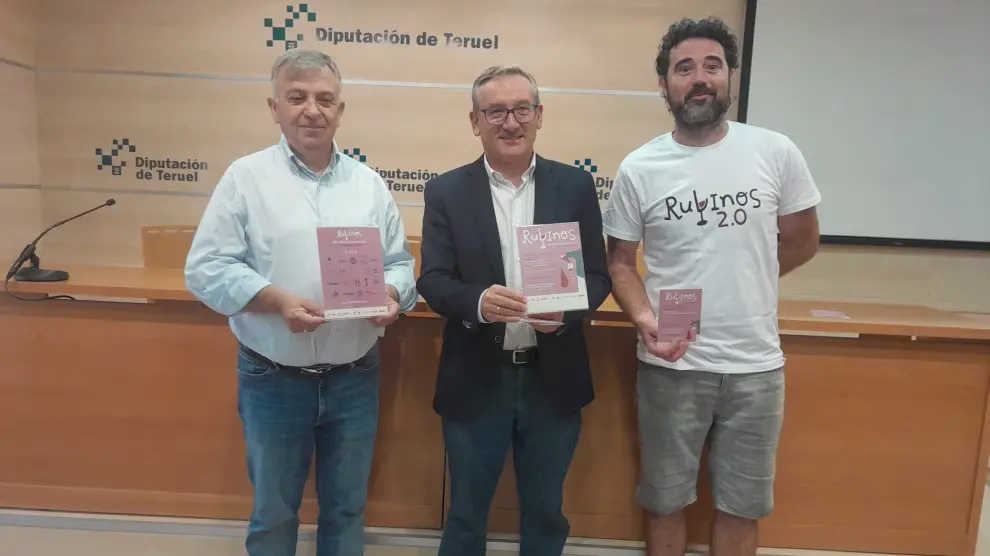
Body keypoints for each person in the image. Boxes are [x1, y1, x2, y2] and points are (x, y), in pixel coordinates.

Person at [184, 49, 417, 556]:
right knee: (274, 512)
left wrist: (395, 294)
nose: (312, 110)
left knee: (347, 508)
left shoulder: (369, 185)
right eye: (297, 98)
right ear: (274, 107)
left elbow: (399, 262)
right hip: (273, 377)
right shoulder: (244, 178)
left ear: (340, 110)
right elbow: (206, 270)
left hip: (356, 375)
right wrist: (276, 301)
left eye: (324, 99)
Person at [602, 17, 821, 556]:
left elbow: (800, 240)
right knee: (665, 501)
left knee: (741, 507)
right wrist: (645, 319)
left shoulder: (775, 151)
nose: (699, 78)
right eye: (684, 68)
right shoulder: (640, 167)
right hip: (672, 364)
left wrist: (746, 280)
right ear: (665, 85)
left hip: (756, 368)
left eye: (712, 66)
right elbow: (621, 263)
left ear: (729, 79)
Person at [416, 65, 611, 556]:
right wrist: (478, 303)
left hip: (553, 378)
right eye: (495, 111)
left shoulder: (575, 186)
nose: (510, 122)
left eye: (522, 108)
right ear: (475, 121)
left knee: (546, 514)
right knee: (465, 516)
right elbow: (434, 280)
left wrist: (566, 314)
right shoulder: (446, 191)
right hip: (477, 375)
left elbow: (600, 277)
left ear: (539, 116)